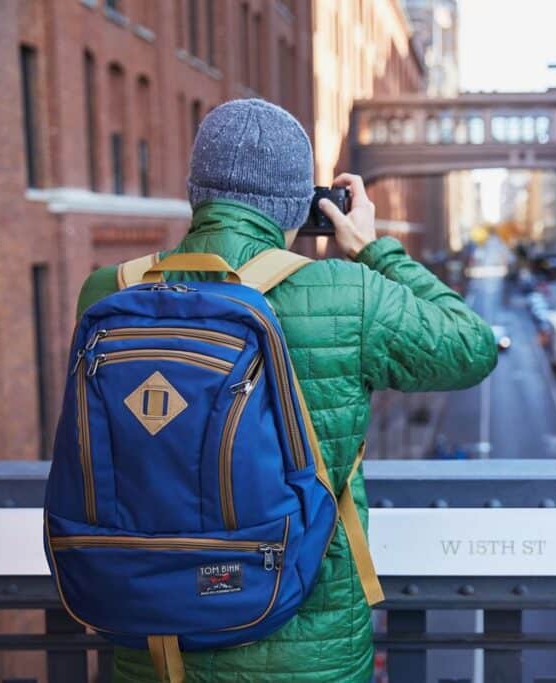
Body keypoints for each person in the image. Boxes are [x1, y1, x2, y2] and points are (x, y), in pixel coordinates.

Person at [75, 99, 499, 683]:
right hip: (309, 649)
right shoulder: (348, 293)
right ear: (303, 205)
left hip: (152, 645)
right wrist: (375, 250)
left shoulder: (108, 290)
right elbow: (472, 346)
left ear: (196, 191)